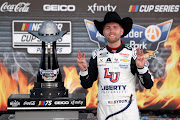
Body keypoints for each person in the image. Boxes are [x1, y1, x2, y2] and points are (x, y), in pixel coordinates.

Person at [77, 12, 154, 120]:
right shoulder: (97, 55)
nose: (111, 31)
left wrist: (141, 68)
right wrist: (84, 70)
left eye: (115, 27)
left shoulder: (133, 54)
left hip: (127, 111)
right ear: (103, 32)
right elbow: (86, 84)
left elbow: (148, 84)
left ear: (121, 31)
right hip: (105, 112)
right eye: (107, 28)